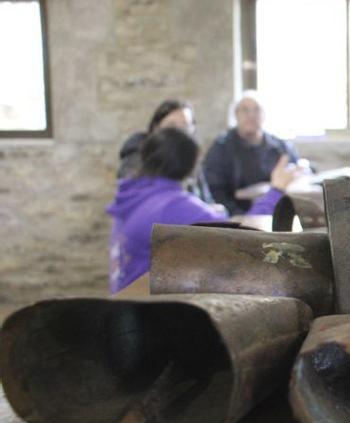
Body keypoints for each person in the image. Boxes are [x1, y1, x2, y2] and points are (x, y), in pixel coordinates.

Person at [107, 127, 297, 294]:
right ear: (191, 166)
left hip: (125, 296)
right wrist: (276, 190)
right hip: (146, 307)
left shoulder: (134, 192)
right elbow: (243, 238)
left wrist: (204, 213)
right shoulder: (174, 204)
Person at [203, 91, 308, 215]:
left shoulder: (281, 147)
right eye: (245, 110)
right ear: (236, 115)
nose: (251, 115)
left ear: (264, 115)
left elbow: (296, 177)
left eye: (257, 110)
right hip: (236, 216)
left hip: (277, 213)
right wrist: (239, 217)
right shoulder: (221, 148)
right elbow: (214, 191)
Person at [117, 99, 214, 202]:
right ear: (156, 127)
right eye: (171, 126)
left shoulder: (190, 156)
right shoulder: (137, 153)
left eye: (185, 126)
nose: (179, 132)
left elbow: (205, 198)